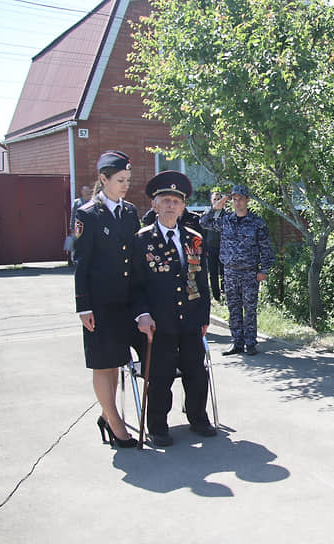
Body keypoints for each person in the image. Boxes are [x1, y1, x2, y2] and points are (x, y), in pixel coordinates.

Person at [132, 171, 215, 447]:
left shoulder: (194, 238)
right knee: (160, 375)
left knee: (196, 371)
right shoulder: (142, 240)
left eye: (176, 202)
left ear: (183, 207)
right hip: (160, 320)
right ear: (155, 205)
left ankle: (198, 418)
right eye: (165, 200)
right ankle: (158, 426)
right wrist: (142, 314)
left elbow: (201, 279)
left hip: (191, 319)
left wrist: (204, 315)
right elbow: (135, 284)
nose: (170, 206)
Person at [73, 151, 142, 448]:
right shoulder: (88, 214)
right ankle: (115, 423)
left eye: (128, 180)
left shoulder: (129, 212)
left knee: (117, 360)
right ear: (103, 179)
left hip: (126, 302)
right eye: (120, 180)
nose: (125, 185)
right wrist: (83, 306)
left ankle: (107, 415)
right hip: (100, 304)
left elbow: (136, 258)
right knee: (104, 363)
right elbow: (82, 263)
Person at [200, 184, 274, 356]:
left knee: (249, 309)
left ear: (247, 200)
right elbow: (203, 222)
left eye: (241, 198)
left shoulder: (257, 222)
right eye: (234, 199)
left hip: (249, 272)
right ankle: (237, 343)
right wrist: (215, 208)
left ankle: (250, 343)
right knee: (233, 308)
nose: (237, 202)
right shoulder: (226, 220)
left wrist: (264, 270)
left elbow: (266, 249)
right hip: (230, 271)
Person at [204, 191, 224, 301]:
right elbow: (203, 231)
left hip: (223, 247)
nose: (217, 201)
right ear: (212, 201)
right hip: (210, 247)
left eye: (219, 199)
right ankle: (216, 296)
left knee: (223, 271)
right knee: (212, 272)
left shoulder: (226, 214)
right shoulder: (208, 214)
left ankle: (224, 294)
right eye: (215, 199)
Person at [66, 185, 92, 264]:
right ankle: (76, 259)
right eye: (85, 191)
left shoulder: (92, 202)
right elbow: (73, 215)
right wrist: (72, 228)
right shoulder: (77, 202)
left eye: (88, 191)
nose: (87, 193)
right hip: (79, 226)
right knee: (77, 243)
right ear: (82, 192)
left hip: (90, 227)